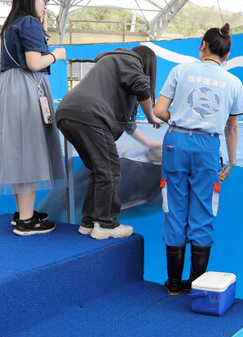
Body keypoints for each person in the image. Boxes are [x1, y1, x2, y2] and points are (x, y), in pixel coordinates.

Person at [153, 23, 243, 295]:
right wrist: (231, 161)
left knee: (174, 209)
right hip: (208, 147)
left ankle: (173, 285)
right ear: (226, 55)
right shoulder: (234, 83)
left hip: (176, 143)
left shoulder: (180, 70)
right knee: (203, 213)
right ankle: (198, 287)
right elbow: (232, 127)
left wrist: (181, 119)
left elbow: (159, 111)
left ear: (202, 45)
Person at [55, 46, 164, 239]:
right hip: (90, 116)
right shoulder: (130, 60)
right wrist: (151, 117)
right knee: (111, 170)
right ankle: (106, 223)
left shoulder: (111, 68)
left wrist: (148, 143)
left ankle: (89, 222)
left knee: (98, 171)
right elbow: (141, 85)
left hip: (67, 114)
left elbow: (128, 124)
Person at [0, 0, 67, 236]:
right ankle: (26, 221)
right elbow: (34, 63)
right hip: (26, 87)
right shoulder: (29, 22)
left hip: (12, 88)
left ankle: (24, 213)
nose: (45, 5)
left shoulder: (13, 24)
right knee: (30, 151)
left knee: (19, 152)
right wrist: (57, 54)